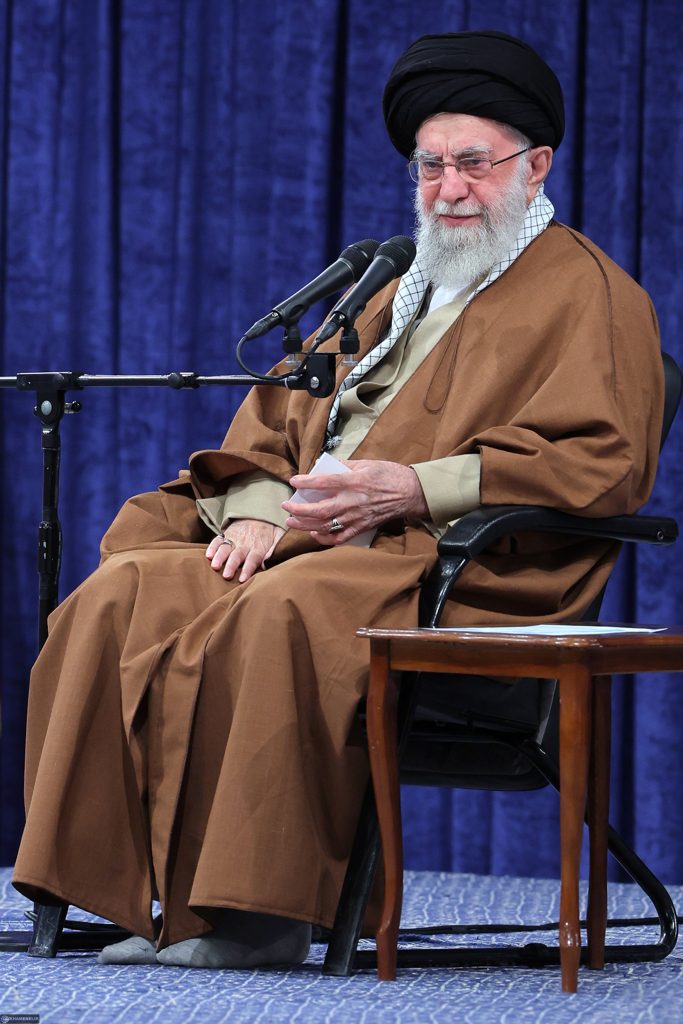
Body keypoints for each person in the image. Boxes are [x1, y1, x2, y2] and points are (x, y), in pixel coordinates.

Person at [12, 30, 663, 969]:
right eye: (430, 166)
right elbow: (277, 413)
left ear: (535, 165)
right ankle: (108, 888)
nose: (449, 189)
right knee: (121, 592)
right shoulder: (393, 285)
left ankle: (256, 916)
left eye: (473, 163)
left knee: (282, 608)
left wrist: (410, 486)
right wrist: (254, 505)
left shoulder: (592, 293)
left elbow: (604, 462)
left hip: (453, 569)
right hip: (313, 539)